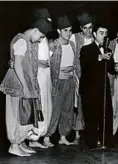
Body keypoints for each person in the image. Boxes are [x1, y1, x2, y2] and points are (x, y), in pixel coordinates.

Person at [0, 18, 51, 156]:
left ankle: (20, 143)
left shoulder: (26, 41)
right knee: (16, 115)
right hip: (16, 84)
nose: (40, 40)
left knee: (24, 115)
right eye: (40, 36)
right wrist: (25, 88)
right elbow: (17, 65)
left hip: (23, 83)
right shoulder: (21, 41)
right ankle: (14, 145)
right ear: (35, 30)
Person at [79, 23, 116, 150]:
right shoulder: (86, 49)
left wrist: (115, 68)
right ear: (94, 34)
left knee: (105, 114)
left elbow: (110, 69)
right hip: (89, 88)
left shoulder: (109, 50)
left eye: (106, 33)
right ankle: (92, 143)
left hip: (103, 87)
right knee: (91, 116)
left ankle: (105, 141)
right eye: (101, 33)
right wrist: (100, 57)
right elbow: (85, 64)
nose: (104, 36)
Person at [43, 15, 78, 146]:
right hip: (57, 82)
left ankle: (63, 136)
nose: (68, 33)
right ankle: (47, 137)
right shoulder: (53, 45)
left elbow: (75, 62)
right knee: (54, 110)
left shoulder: (73, 45)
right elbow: (45, 61)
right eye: (65, 30)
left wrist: (73, 72)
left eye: (70, 30)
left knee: (67, 110)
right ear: (59, 31)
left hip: (70, 81)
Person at [28, 8, 53, 149]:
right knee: (38, 104)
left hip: (46, 74)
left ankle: (38, 137)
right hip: (38, 75)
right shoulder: (35, 36)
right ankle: (32, 137)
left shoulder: (44, 37)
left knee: (45, 104)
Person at [69, 12, 95, 144]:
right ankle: (77, 134)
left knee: (91, 105)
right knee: (77, 104)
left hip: (92, 76)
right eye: (85, 28)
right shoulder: (74, 38)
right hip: (78, 75)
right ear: (80, 28)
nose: (88, 31)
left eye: (90, 28)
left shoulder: (95, 39)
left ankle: (91, 133)